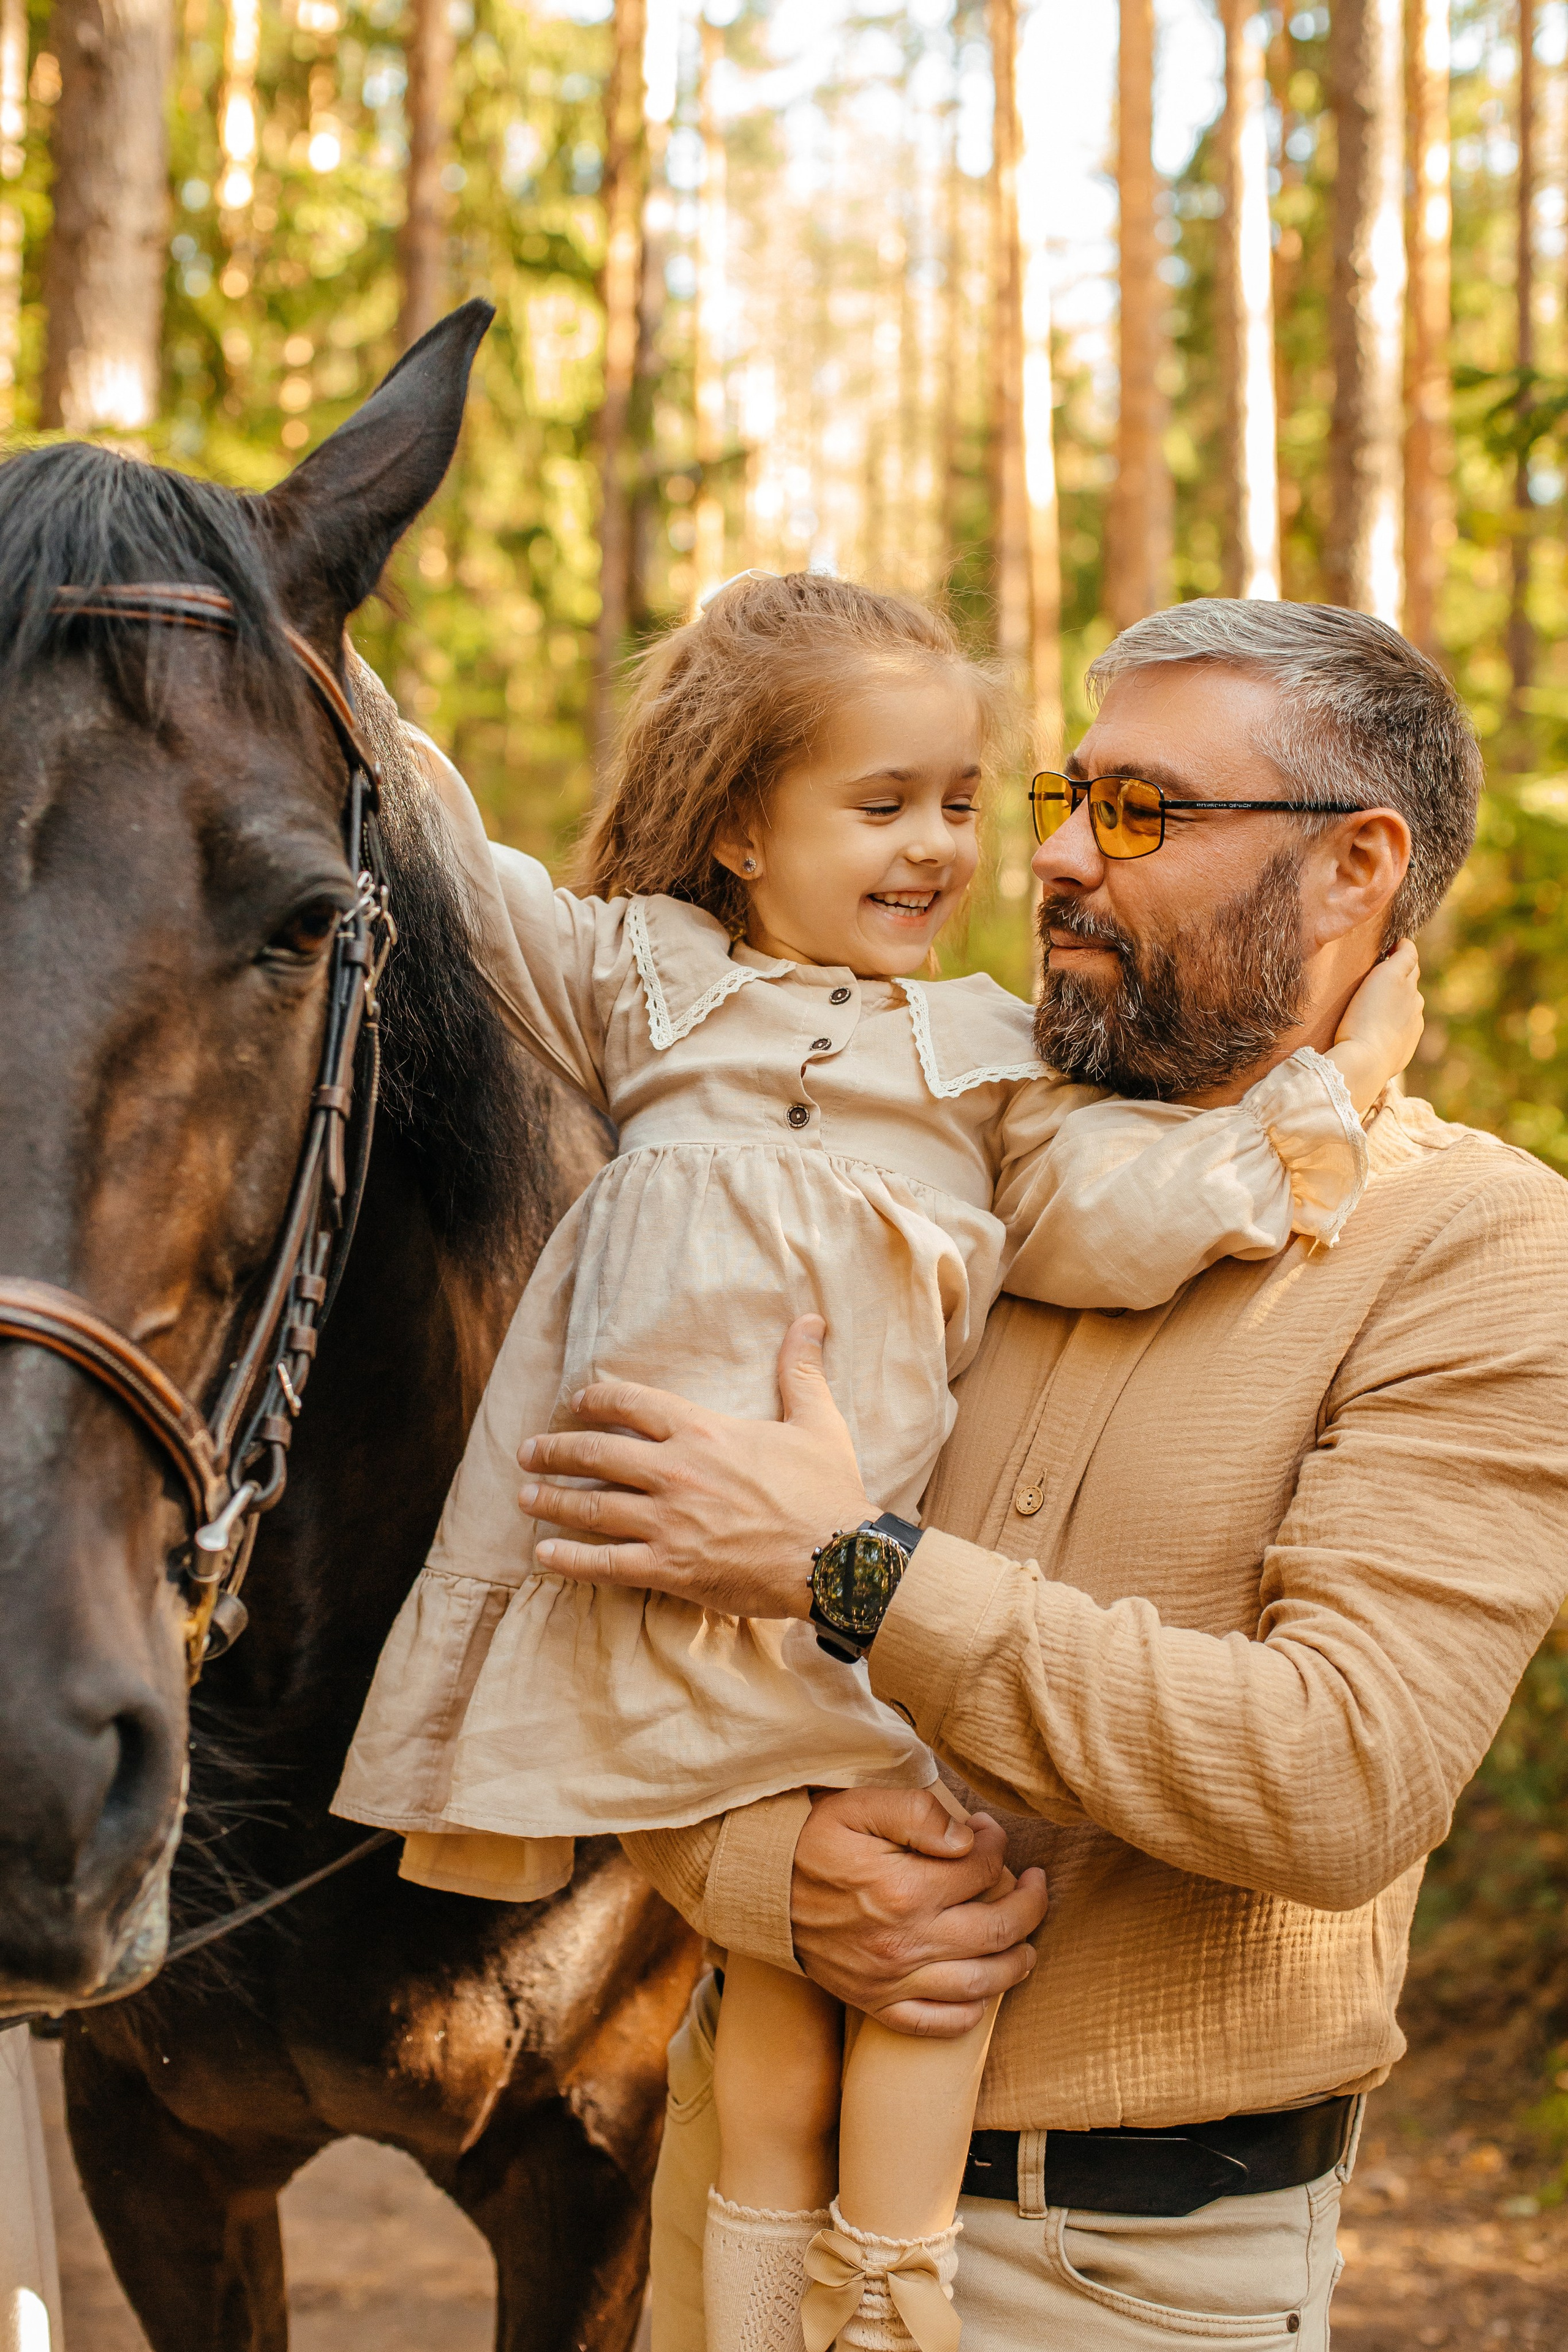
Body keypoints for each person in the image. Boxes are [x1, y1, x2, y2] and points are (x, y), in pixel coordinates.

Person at [332, 577, 1420, 2352]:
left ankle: (886, 2307)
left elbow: (1116, 1210)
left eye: (964, 805)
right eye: (887, 803)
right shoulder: (646, 987)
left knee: (917, 1961)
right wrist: (310, 629)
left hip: (841, 1621)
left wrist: (1329, 1102)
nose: (955, 848)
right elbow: (460, 876)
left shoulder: (984, 1056)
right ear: (744, 828)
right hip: (660, 1602)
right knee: (769, 2029)